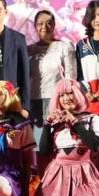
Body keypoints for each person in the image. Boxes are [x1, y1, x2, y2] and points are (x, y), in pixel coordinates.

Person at [38, 79, 99, 196]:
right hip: (59, 170)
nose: (66, 98)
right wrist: (47, 125)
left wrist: (75, 122)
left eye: (70, 93)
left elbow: (96, 146)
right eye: (61, 95)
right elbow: (44, 151)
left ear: (79, 94)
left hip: (83, 170)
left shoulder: (93, 119)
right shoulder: (56, 122)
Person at [28, 10, 77, 171]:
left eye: (49, 23)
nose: (45, 27)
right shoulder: (29, 50)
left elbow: (71, 78)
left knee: (59, 144)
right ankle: (43, 181)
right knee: (40, 146)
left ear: (54, 25)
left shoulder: (64, 47)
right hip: (34, 103)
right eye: (40, 23)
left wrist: (67, 104)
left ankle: (60, 181)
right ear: (35, 26)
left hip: (57, 102)